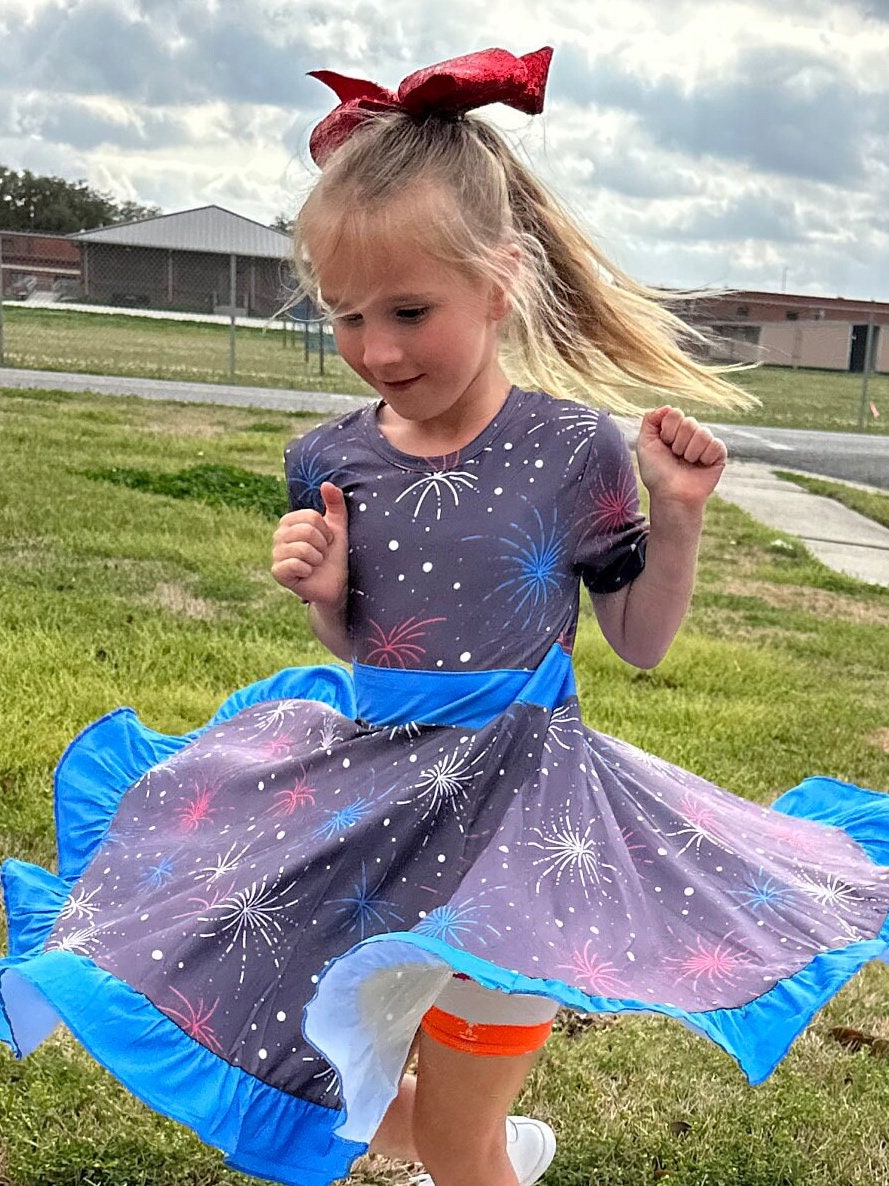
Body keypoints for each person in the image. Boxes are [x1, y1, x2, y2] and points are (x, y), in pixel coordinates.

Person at [2, 45, 889, 1186]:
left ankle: (487, 1151)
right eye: (347, 316)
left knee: (462, 1145)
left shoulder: (573, 450)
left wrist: (677, 520)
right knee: (291, 1067)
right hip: (366, 812)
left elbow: (641, 642)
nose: (377, 349)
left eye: (410, 310)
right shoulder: (329, 456)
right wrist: (326, 599)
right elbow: (363, 645)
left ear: (500, 280)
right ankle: (491, 1149)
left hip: (521, 826)